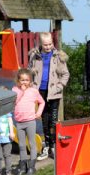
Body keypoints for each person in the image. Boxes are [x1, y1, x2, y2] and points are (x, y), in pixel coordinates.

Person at [28, 32, 69, 160]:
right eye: (45, 44)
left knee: (53, 120)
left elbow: (65, 74)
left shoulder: (58, 56)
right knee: (44, 120)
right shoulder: (35, 56)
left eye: (50, 44)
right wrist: (32, 86)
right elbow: (29, 72)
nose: (48, 47)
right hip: (40, 92)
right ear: (41, 43)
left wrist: (59, 86)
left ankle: (54, 145)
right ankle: (46, 146)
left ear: (53, 42)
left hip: (54, 93)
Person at [13, 69, 45, 175]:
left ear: (30, 81)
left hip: (30, 121)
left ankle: (31, 167)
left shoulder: (34, 91)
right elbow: (14, 102)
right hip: (19, 122)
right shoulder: (14, 90)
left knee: (32, 144)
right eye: (22, 80)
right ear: (18, 80)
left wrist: (38, 112)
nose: (24, 82)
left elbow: (42, 102)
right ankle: (23, 167)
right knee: (22, 145)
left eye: (26, 80)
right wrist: (21, 92)